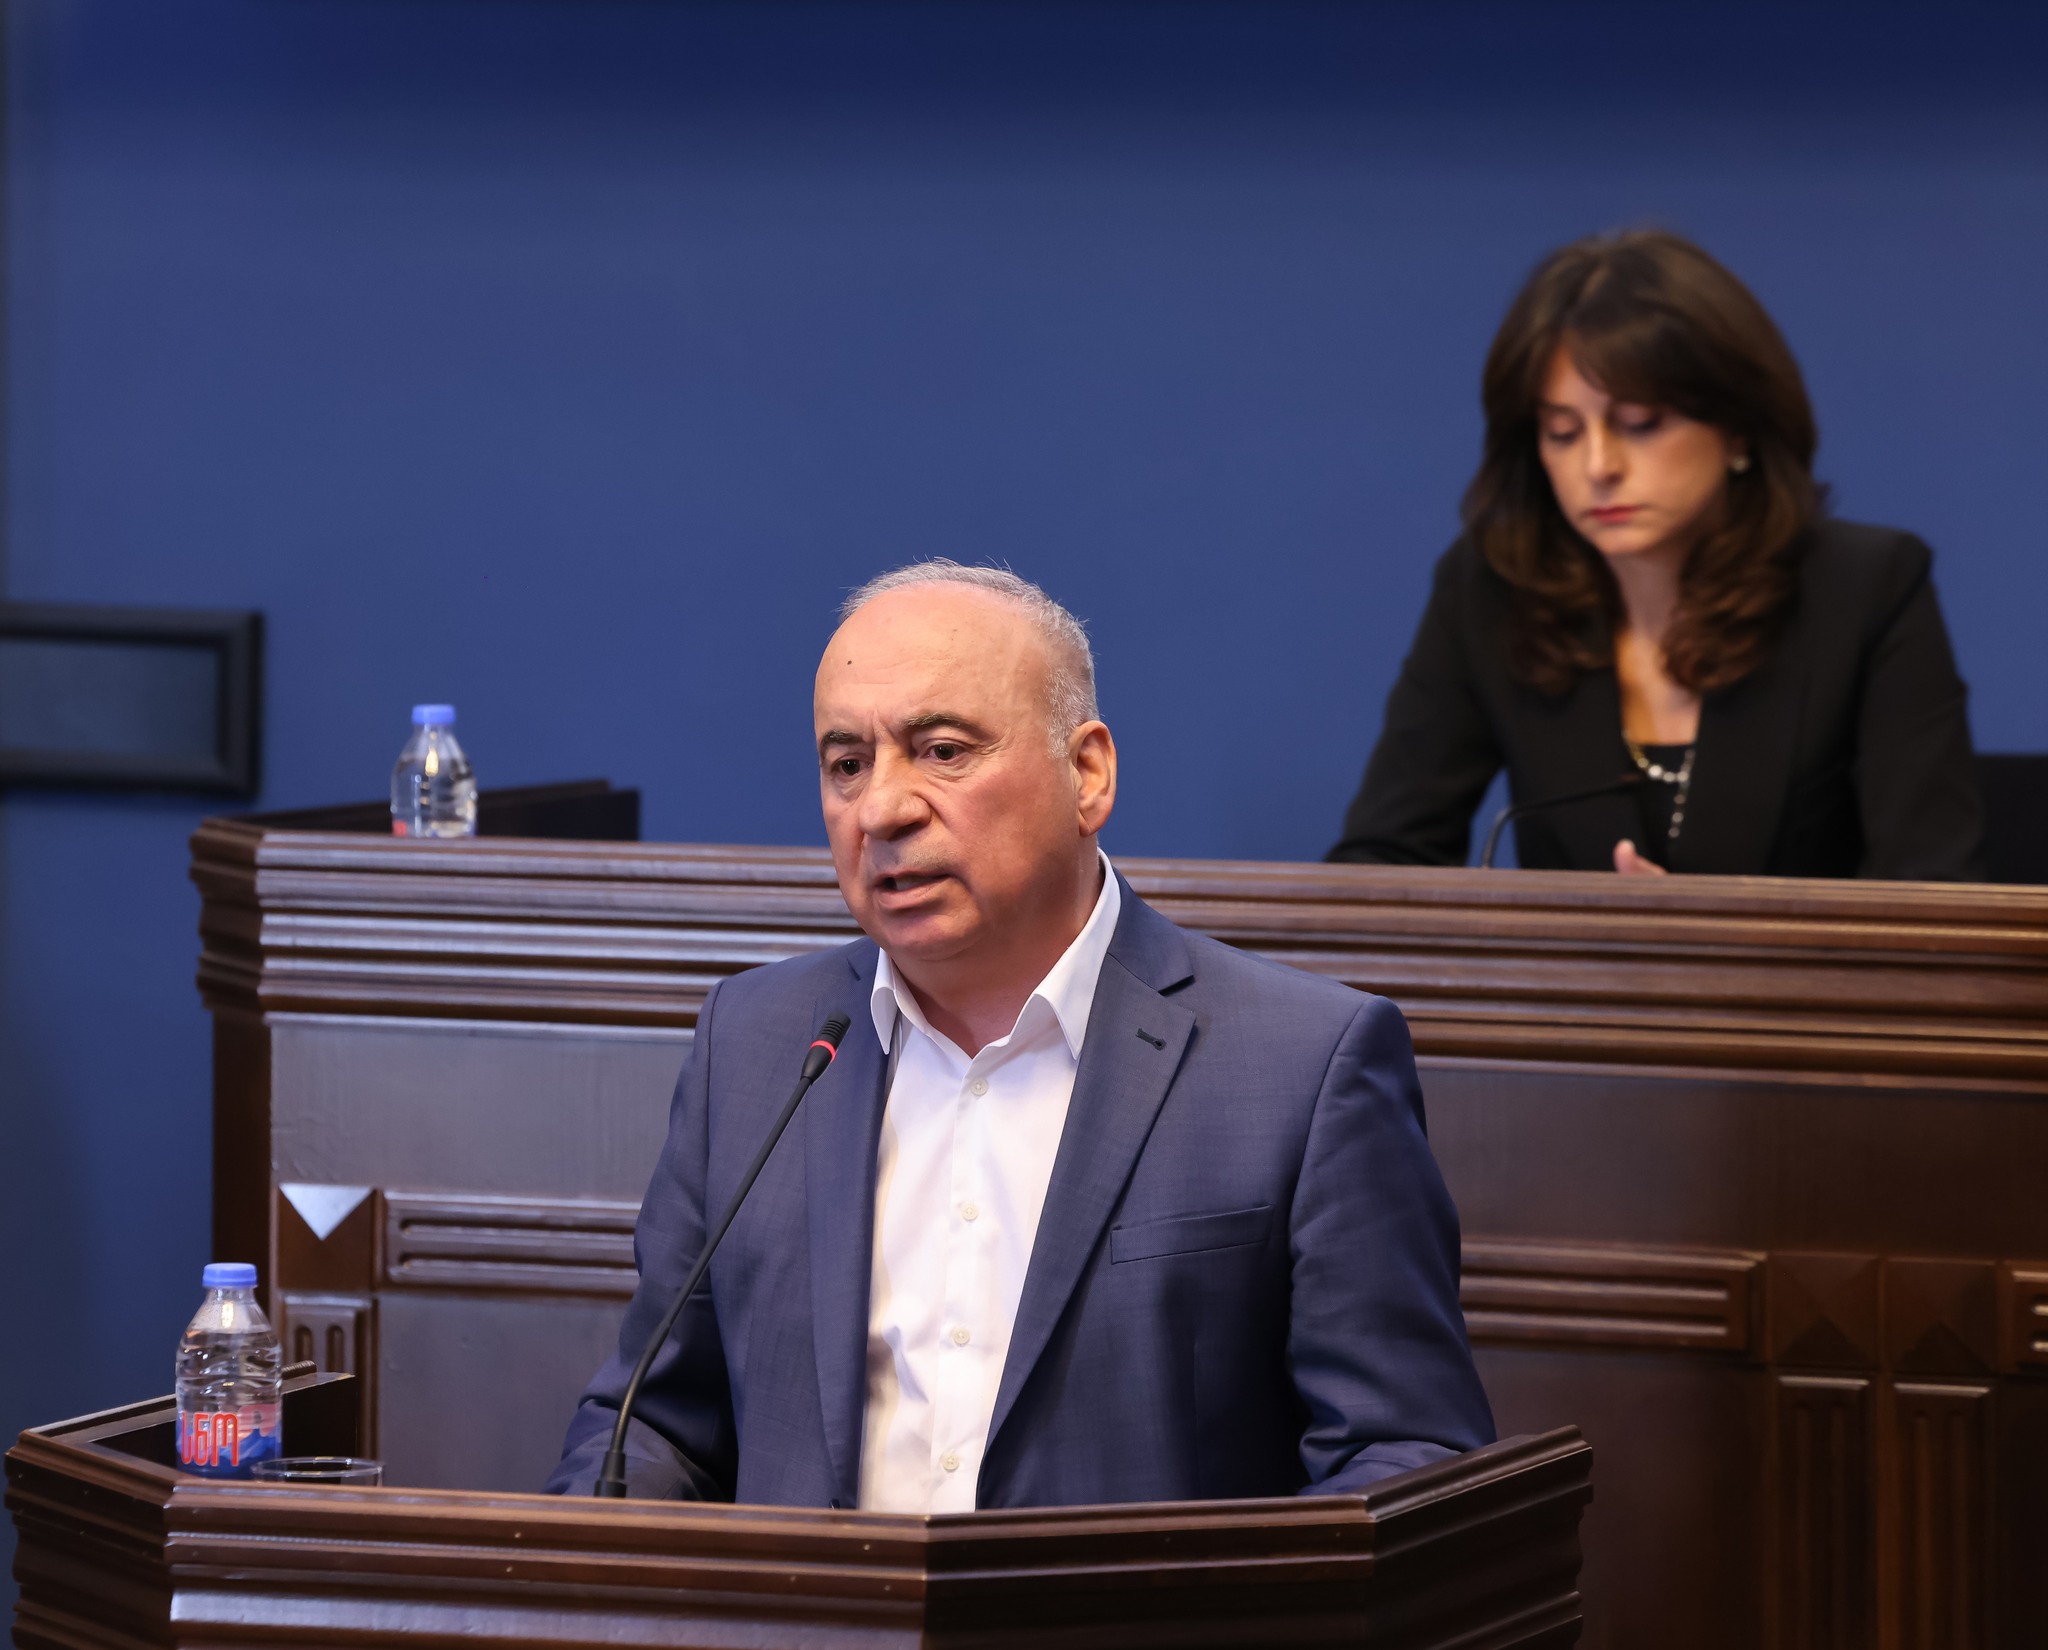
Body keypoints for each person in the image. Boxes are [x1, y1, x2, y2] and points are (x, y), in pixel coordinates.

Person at [549, 561, 1493, 1508]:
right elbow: (652, 1424)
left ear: (1087, 774)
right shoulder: (757, 1046)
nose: (882, 809)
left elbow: (1406, 1456)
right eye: (847, 764)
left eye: (943, 750)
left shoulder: (1303, 1065)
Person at [1329, 229, 1984, 879]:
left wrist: (1693, 934)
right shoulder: (1493, 590)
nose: (1598, 466)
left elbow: (1935, 890)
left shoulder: (1866, 591)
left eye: (1640, 423)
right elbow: (1380, 862)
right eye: (1562, 432)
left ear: (1739, 427)